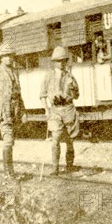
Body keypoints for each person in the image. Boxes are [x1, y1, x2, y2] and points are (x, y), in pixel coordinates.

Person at [0, 41, 27, 179]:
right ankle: (8, 173)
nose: (9, 58)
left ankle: (10, 170)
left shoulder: (15, 72)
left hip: (15, 111)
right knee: (8, 140)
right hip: (3, 111)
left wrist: (24, 111)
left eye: (10, 55)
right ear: (0, 58)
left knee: (11, 141)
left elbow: (18, 93)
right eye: (6, 55)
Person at [40, 46, 80, 175]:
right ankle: (55, 168)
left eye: (63, 60)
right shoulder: (48, 76)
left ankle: (69, 165)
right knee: (56, 138)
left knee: (69, 140)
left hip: (68, 109)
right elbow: (42, 95)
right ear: (54, 62)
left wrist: (73, 89)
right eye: (58, 61)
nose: (61, 63)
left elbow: (77, 96)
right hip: (55, 110)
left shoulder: (70, 76)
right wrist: (46, 110)